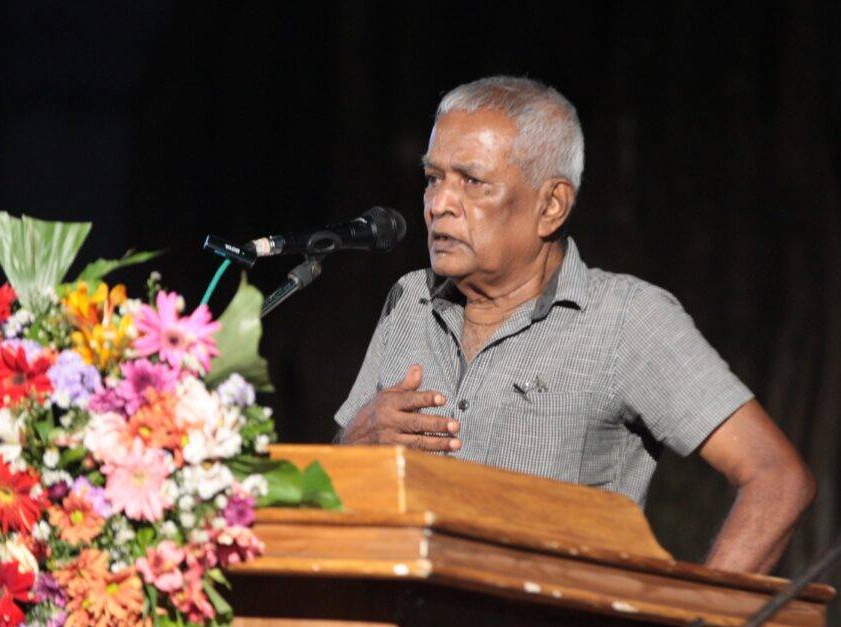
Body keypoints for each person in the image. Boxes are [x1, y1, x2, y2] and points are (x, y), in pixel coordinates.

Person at [334, 76, 814, 574]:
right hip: (398, 617)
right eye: (433, 178)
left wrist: (703, 617)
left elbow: (777, 478)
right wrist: (354, 442)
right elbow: (334, 488)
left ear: (551, 206)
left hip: (556, 621)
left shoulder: (626, 319)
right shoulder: (409, 300)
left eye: (472, 182)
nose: (438, 204)